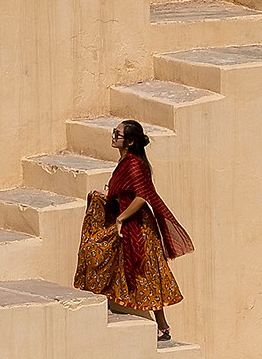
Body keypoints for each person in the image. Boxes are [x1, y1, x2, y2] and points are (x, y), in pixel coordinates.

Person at [75, 119, 193, 340]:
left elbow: (141, 197)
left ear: (129, 142)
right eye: (114, 132)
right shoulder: (125, 161)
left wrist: (121, 218)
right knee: (117, 261)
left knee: (148, 272)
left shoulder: (133, 164)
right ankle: (112, 303)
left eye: (117, 134)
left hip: (139, 227)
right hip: (130, 221)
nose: (113, 136)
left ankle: (163, 326)